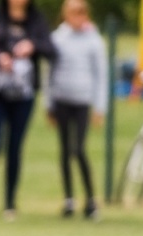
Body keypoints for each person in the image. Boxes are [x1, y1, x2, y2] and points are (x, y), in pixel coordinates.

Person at [0, 0, 56, 218]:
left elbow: (51, 49)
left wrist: (33, 46)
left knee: (14, 148)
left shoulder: (35, 19)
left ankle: (9, 203)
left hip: (24, 94)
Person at [48, 0, 107, 220]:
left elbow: (100, 75)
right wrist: (48, 104)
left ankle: (91, 200)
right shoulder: (58, 38)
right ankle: (69, 199)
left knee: (78, 149)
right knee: (64, 150)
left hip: (82, 100)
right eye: (73, 13)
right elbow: (51, 74)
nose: (78, 17)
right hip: (62, 99)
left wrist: (99, 107)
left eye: (81, 13)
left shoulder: (93, 40)